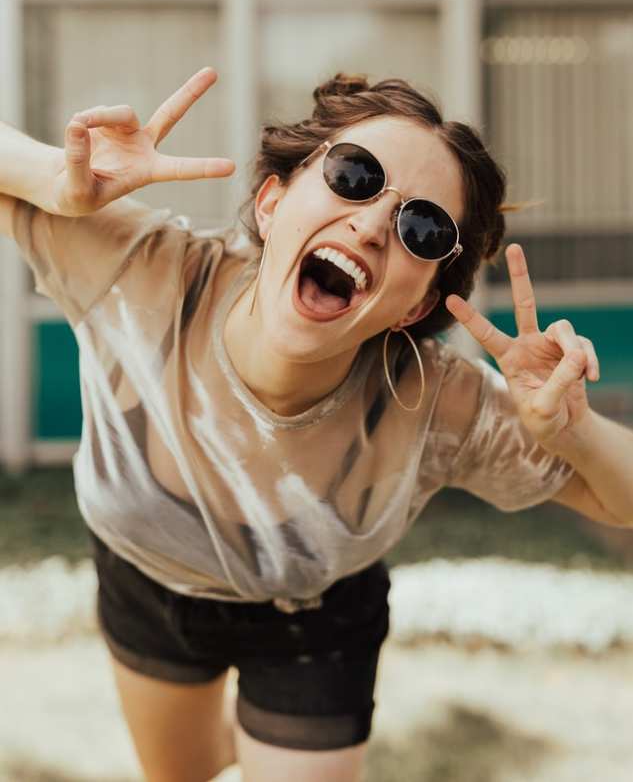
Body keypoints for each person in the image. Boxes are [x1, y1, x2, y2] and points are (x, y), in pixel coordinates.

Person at [1, 67, 631, 782]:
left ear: (416, 307)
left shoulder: (434, 401)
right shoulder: (140, 269)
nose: (370, 225)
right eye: (354, 176)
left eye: (422, 228)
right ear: (272, 203)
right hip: (146, 577)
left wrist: (571, 431)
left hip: (316, 615)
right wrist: (53, 181)